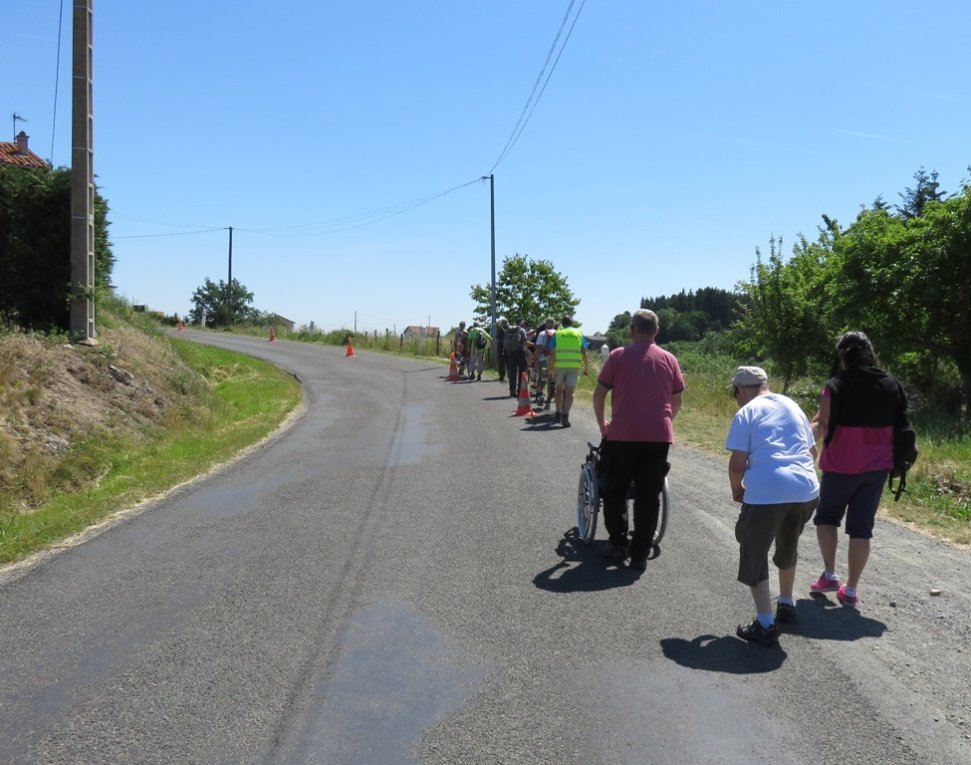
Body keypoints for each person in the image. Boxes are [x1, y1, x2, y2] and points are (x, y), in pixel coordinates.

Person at [808, 331, 910, 607]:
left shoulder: (836, 385)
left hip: (841, 465)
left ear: (843, 356)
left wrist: (800, 444)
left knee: (827, 518)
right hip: (877, 468)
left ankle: (830, 575)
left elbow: (824, 423)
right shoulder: (892, 384)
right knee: (861, 529)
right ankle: (851, 590)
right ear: (870, 352)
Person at [725, 366, 820, 646]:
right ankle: (787, 603)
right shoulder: (792, 405)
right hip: (806, 489)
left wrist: (737, 489)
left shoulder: (746, 413)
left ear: (742, 390)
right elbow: (812, 452)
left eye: (735, 393)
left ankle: (765, 623)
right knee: (788, 543)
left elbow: (736, 464)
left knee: (753, 548)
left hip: (768, 491)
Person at [592, 309, 684, 569]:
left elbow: (599, 395)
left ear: (632, 330)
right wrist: (665, 422)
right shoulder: (669, 359)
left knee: (615, 490)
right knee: (648, 495)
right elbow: (677, 399)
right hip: (658, 436)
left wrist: (603, 426)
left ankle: (619, 544)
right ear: (657, 331)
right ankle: (640, 553)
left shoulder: (618, 356)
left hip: (622, 435)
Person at [549, 315, 589, 427]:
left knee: (559, 390)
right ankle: (565, 415)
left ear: (562, 323)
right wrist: (586, 368)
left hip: (560, 366)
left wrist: (550, 370)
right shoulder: (579, 333)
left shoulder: (557, 334)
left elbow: (552, 354)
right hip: (574, 366)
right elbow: (584, 352)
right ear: (572, 323)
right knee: (570, 392)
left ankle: (558, 412)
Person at [532, 318, 557, 408]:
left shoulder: (542, 334)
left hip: (542, 360)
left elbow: (538, 347)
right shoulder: (557, 334)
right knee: (551, 380)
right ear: (554, 325)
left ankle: (541, 395)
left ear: (546, 325)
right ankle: (549, 400)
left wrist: (536, 359)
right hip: (553, 361)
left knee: (542, 379)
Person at [505, 319, 529, 398]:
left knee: (512, 372)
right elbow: (525, 342)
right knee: (522, 372)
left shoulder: (509, 330)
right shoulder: (521, 330)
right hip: (520, 352)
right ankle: (520, 391)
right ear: (521, 323)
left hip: (511, 352)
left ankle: (512, 390)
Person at [496, 318, 509, 383]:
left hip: (501, 348)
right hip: (509, 348)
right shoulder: (510, 329)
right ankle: (510, 375)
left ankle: (501, 376)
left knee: (501, 363)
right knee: (509, 362)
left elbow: (498, 339)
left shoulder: (500, 330)